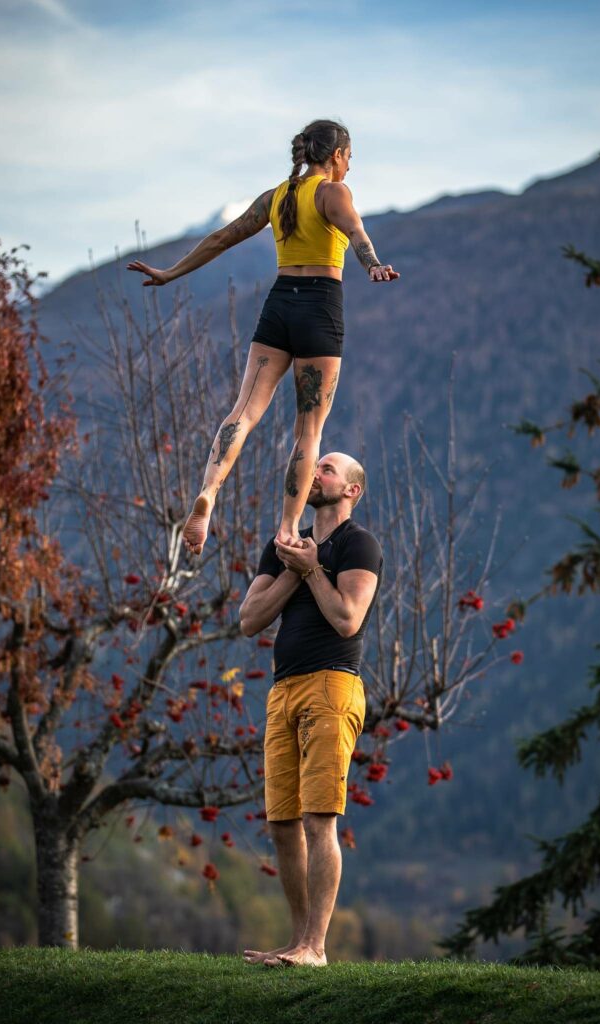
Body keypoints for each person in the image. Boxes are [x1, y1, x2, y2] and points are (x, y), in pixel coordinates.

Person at [126, 119, 399, 555]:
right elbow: (356, 232)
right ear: (335, 156)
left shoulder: (277, 196)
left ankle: (209, 492)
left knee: (244, 411)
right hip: (319, 308)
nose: (349, 167)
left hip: (278, 306)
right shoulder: (333, 192)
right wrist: (372, 265)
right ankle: (289, 527)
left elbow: (221, 238)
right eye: (349, 158)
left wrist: (170, 273)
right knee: (309, 429)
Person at [238, 451, 383, 968]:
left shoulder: (357, 543)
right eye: (313, 466)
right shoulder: (283, 548)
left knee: (319, 818)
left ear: (351, 491)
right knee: (282, 823)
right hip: (283, 691)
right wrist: (294, 571)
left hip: (332, 685)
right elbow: (249, 619)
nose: (314, 473)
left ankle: (316, 948)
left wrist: (314, 568)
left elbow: (347, 618)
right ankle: (298, 941)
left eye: (327, 469)